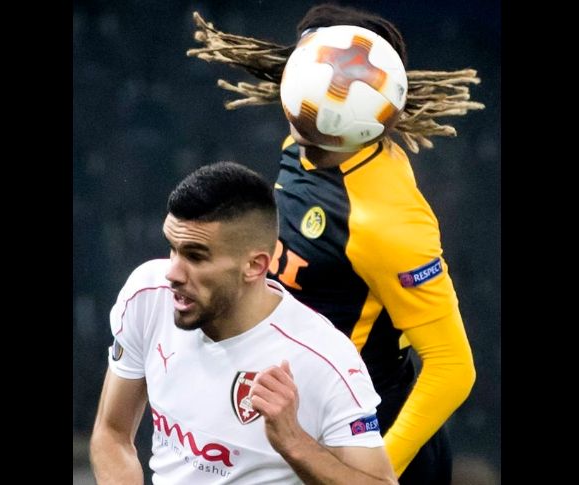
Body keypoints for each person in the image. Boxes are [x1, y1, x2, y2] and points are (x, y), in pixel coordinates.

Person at [188, 5, 482, 484]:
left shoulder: (387, 222)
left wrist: (372, 470)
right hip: (300, 429)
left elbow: (453, 368)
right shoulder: (301, 141)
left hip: (369, 442)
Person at [89, 161, 398, 484]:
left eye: (195, 256)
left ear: (254, 265)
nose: (173, 273)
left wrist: (296, 444)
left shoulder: (324, 360)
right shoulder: (148, 295)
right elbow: (112, 434)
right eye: (173, 248)